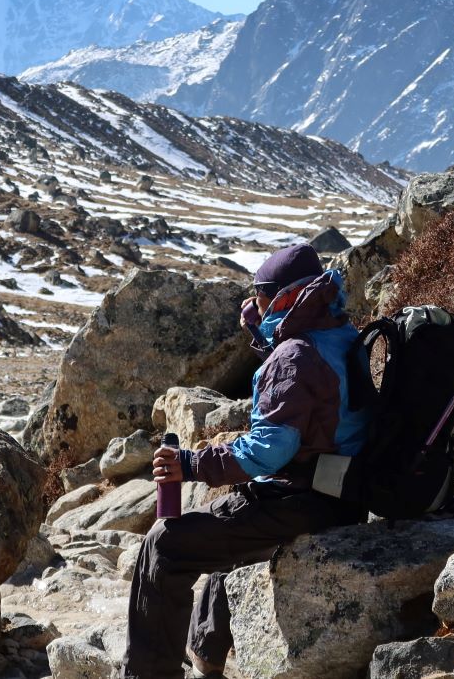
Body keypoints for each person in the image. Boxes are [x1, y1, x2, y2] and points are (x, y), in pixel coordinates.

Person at [121, 242, 372, 679]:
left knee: (164, 545)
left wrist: (193, 464)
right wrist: (267, 338)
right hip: (343, 492)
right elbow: (311, 401)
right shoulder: (342, 335)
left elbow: (268, 451)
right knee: (229, 526)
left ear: (287, 297)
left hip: (304, 499)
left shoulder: (294, 356)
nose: (254, 304)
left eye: (261, 296)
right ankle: (208, 656)